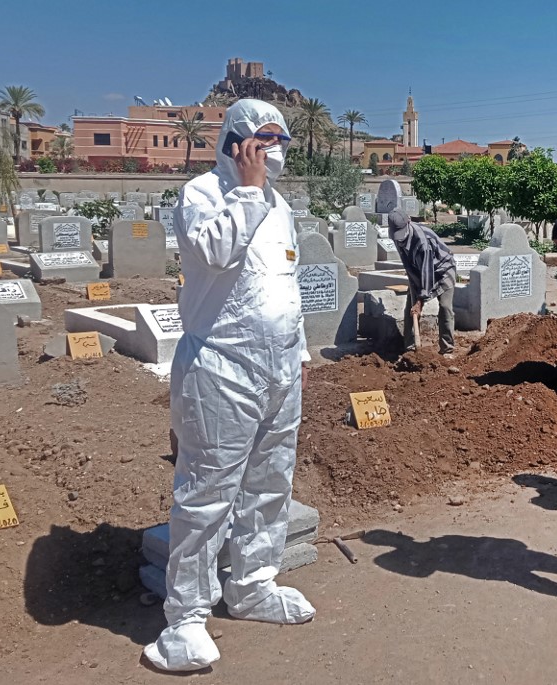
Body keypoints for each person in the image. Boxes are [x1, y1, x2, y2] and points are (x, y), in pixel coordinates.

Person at [143, 99, 315, 673]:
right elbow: (215, 253)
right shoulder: (202, 194)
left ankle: (253, 584)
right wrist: (245, 189)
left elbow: (282, 284)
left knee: (271, 481)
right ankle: (186, 617)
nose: (273, 153)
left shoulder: (282, 206)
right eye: (263, 142)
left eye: (279, 141)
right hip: (220, 365)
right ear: (236, 143)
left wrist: (302, 352)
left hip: (281, 367)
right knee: (207, 491)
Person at [389, 209, 457, 355]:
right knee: (411, 309)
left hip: (442, 270)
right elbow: (407, 264)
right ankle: (410, 348)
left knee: (445, 307)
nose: (399, 239)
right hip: (418, 273)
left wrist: (420, 301)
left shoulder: (422, 241)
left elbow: (427, 271)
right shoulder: (396, 236)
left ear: (408, 222)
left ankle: (447, 349)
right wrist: (415, 294)